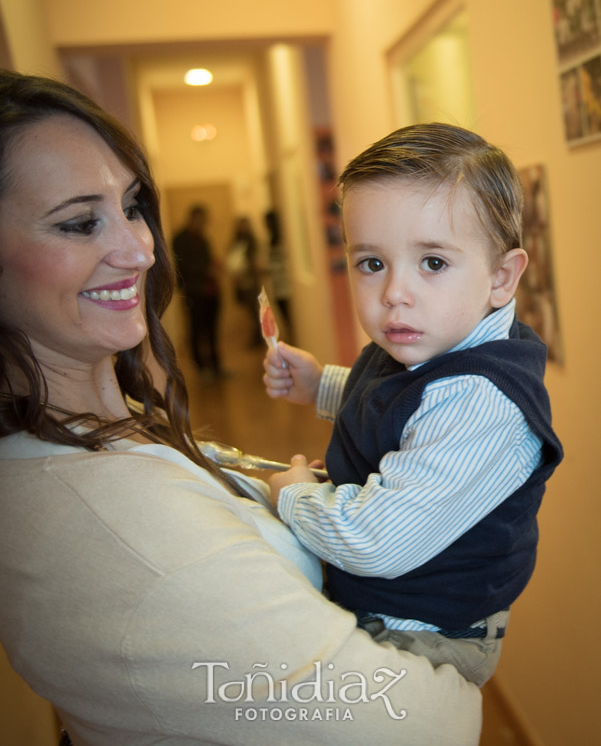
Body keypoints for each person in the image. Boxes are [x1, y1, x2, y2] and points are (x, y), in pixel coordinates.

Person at [0, 73, 481, 746]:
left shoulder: (106, 431)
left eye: (133, 206)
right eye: (80, 223)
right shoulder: (110, 522)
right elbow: (420, 728)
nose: (141, 249)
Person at [264, 123, 563, 687]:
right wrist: (321, 384)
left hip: (418, 636)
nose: (394, 293)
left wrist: (295, 497)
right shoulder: (430, 341)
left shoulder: (483, 402)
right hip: (385, 609)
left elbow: (377, 542)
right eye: (371, 263)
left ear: (501, 277)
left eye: (433, 263)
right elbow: (407, 407)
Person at [172, 204, 223, 379]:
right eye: (200, 219)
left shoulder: (203, 238)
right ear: (193, 218)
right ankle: (201, 369)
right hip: (194, 292)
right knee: (196, 330)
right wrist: (205, 270)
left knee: (212, 330)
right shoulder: (180, 239)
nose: (203, 223)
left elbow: (208, 260)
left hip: (211, 291)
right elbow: (182, 267)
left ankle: (216, 366)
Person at [227, 216, 263, 347]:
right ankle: (257, 336)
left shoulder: (251, 242)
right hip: (242, 281)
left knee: (255, 311)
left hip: (251, 281)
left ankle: (258, 336)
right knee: (251, 311)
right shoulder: (236, 243)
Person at [263, 209, 293, 339]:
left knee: (290, 317)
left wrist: (270, 268)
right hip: (278, 286)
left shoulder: (282, 240)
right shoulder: (271, 239)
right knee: (285, 316)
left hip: (285, 285)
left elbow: (284, 262)